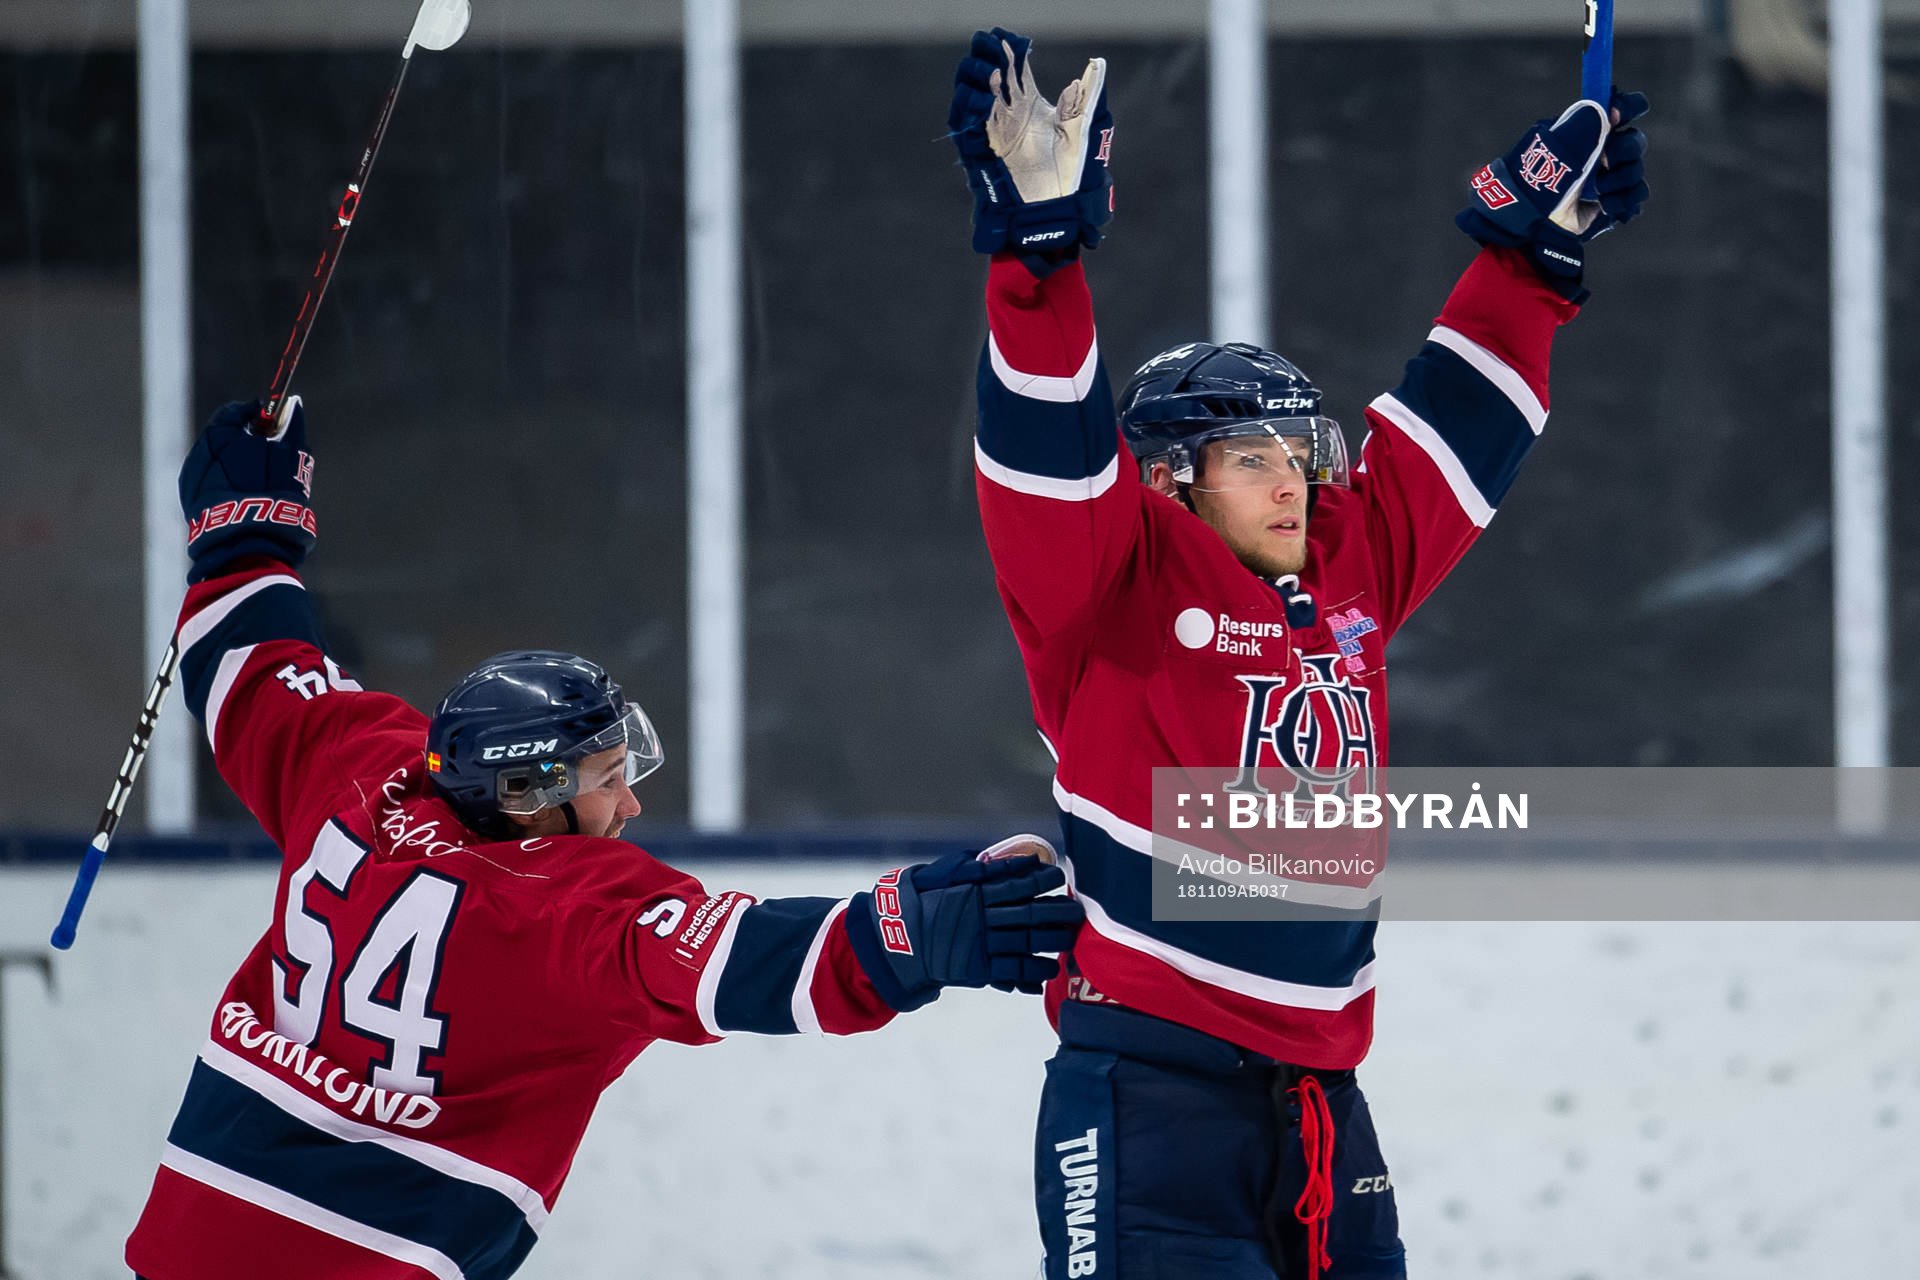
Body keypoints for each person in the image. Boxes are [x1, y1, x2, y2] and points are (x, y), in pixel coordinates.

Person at [947, 27, 1651, 1280]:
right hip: (1149, 1089)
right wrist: (1038, 262)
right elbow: (1046, 463)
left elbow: (1455, 422)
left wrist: (1534, 254)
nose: (1295, 479)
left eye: (1299, 448)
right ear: (1171, 478)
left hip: (1324, 1097)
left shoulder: (1345, 568)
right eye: (1254, 455)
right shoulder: (1106, 586)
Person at [124, 398, 1084, 1280]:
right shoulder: (556, 906)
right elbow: (746, 962)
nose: (627, 808)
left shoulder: (361, 770)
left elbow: (250, 670)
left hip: (186, 1233)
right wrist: (905, 935)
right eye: (607, 780)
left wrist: (240, 534)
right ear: (531, 792)